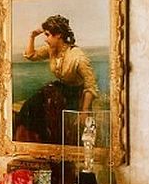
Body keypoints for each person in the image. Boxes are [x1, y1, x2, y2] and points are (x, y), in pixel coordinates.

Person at [14, 14, 98, 144]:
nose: (46, 40)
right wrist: (32, 36)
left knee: (47, 110)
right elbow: (31, 55)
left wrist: (84, 111)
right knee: (30, 105)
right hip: (60, 89)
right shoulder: (51, 49)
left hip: (75, 95)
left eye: (47, 35)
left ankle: (46, 144)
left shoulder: (78, 57)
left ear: (58, 35)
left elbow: (90, 86)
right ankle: (30, 142)